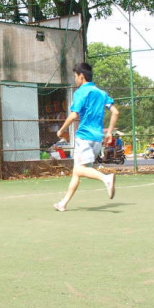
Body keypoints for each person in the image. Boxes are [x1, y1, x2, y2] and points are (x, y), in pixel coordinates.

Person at [52, 62, 119, 211]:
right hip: (97, 139)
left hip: (84, 136)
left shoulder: (81, 92)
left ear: (81, 76)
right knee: (78, 171)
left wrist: (61, 130)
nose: (75, 80)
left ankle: (106, 178)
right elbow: (115, 112)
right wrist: (108, 133)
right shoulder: (102, 93)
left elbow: (74, 114)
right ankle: (63, 203)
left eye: (75, 77)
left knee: (79, 170)